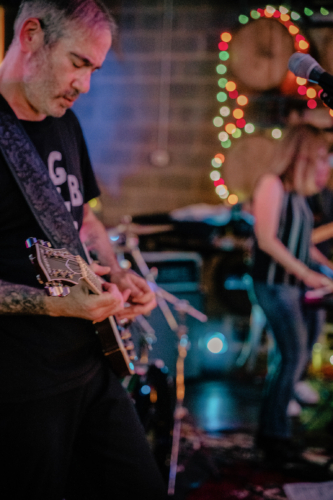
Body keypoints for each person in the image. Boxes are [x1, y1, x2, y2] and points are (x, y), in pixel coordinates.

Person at [0, 1, 167, 498]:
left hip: (92, 362)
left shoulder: (64, 121)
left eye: (94, 69)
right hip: (21, 386)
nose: (85, 85)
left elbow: (83, 216)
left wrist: (115, 273)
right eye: (78, 62)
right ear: (32, 35)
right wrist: (54, 304)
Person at [251, 125, 333, 462]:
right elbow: (267, 239)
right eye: (320, 156)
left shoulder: (298, 193)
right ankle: (273, 435)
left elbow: (301, 244)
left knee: (296, 354)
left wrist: (324, 269)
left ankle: (276, 431)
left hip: (293, 285)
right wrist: (306, 274)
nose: (324, 163)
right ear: (303, 153)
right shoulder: (271, 184)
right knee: (292, 357)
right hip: (273, 284)